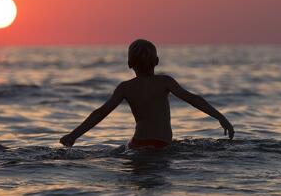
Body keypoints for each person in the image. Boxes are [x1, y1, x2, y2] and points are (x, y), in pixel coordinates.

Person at [60, 39, 234, 149]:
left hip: (137, 144)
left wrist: (73, 135)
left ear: (129, 64)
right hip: (162, 144)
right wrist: (220, 117)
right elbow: (192, 99)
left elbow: (101, 112)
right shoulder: (165, 81)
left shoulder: (125, 87)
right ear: (157, 61)